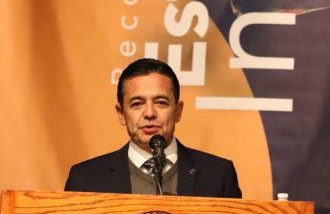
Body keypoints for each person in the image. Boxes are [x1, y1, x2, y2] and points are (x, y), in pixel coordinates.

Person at [64, 58, 242, 198]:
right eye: (137, 104)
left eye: (161, 102)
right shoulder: (85, 179)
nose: (149, 113)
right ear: (121, 114)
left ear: (178, 111)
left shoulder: (218, 175)